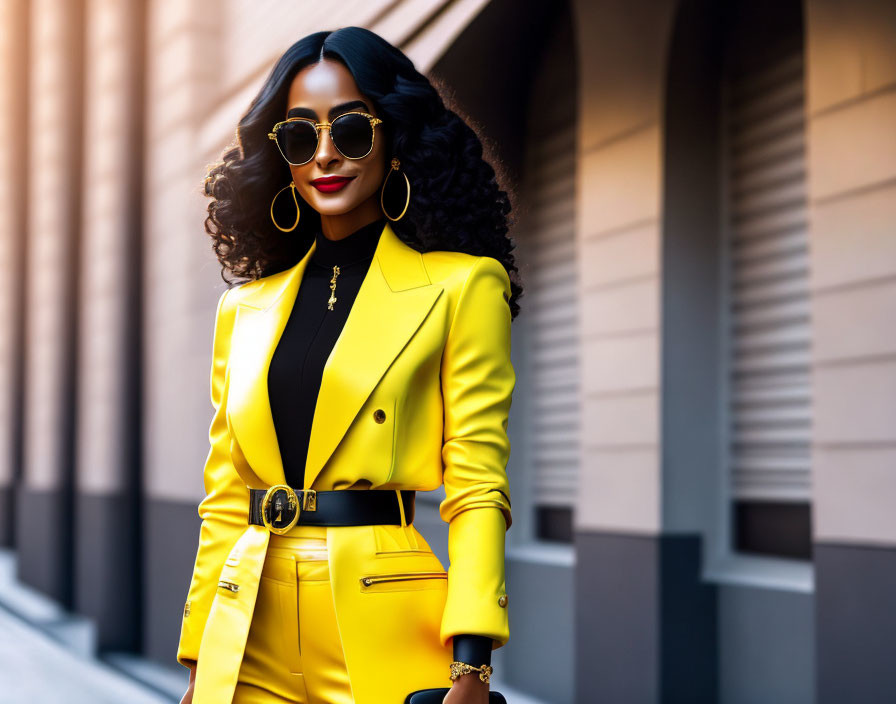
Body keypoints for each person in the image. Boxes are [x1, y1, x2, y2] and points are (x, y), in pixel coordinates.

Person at [177, 26, 522, 704]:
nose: (326, 156)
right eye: (301, 137)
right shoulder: (243, 309)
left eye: (353, 131)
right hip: (248, 626)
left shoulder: (462, 287)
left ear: (393, 139)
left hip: (382, 618)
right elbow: (224, 494)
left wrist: (472, 666)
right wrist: (197, 658)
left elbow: (478, 485)